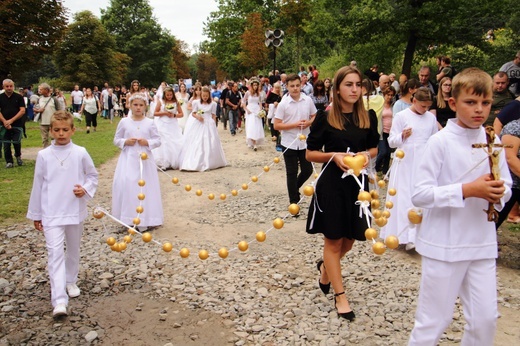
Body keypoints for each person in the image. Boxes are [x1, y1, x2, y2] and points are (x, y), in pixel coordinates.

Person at [408, 68, 512, 345]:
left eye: (486, 103)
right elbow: (420, 193)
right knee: (434, 320)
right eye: (471, 102)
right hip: (445, 242)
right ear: (453, 103)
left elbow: (507, 184)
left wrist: (498, 192)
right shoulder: (439, 142)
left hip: (480, 241)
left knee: (485, 319)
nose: (479, 110)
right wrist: (467, 190)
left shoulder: (493, 141)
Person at [306, 65, 379, 321]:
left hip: (358, 187)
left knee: (349, 240)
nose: (355, 90)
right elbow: (310, 153)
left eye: (358, 85)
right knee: (334, 240)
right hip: (332, 185)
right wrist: (333, 155)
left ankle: (326, 268)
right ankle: (340, 296)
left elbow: (373, 148)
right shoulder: (325, 117)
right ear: (337, 88)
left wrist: (364, 156)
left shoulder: (368, 116)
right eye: (349, 84)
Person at [27, 110, 98, 317]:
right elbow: (38, 184)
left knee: (73, 248)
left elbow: (92, 176)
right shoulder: (43, 155)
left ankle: (70, 280)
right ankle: (58, 300)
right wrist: (36, 213)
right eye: (56, 130)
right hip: (51, 212)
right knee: (54, 253)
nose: (61, 134)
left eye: (65, 130)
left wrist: (84, 188)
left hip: (74, 210)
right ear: (50, 131)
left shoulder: (80, 152)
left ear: (72, 130)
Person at [380, 87, 438, 250]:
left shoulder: (431, 119)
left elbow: (434, 140)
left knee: (420, 197)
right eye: (422, 106)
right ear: (414, 101)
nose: (425, 110)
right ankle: (402, 234)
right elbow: (391, 141)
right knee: (404, 197)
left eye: (427, 107)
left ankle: (418, 236)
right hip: (405, 162)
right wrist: (402, 136)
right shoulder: (401, 116)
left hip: (423, 162)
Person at [112, 94, 163, 231]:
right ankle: (127, 218)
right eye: (135, 105)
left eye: (141, 105)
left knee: (145, 187)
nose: (138, 108)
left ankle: (147, 218)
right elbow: (116, 139)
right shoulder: (124, 122)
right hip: (128, 159)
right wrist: (125, 142)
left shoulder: (150, 122)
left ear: (145, 106)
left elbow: (157, 140)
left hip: (144, 160)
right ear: (130, 106)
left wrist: (147, 142)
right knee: (128, 185)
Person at [274, 74, 317, 205]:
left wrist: (309, 123)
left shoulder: (307, 100)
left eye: (297, 85)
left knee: (307, 170)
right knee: (291, 172)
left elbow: (315, 115)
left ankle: (294, 188)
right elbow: (277, 125)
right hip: (289, 142)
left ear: (301, 85)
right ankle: (293, 201)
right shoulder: (283, 104)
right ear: (286, 86)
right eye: (292, 86)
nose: (295, 88)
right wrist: (294, 125)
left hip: (304, 142)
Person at [180, 86, 227, 171]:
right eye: (203, 96)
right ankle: (197, 160)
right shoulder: (196, 103)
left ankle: (211, 160)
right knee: (198, 141)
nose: (205, 98)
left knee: (210, 141)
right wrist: (198, 117)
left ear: (209, 95)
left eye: (206, 96)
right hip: (199, 123)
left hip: (209, 123)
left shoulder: (213, 104)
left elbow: (213, 115)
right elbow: (193, 113)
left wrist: (214, 125)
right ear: (201, 95)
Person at [152, 86, 184, 170]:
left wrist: (174, 115)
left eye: (170, 95)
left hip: (172, 123)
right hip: (162, 124)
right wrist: (164, 113)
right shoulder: (161, 102)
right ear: (164, 95)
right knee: (163, 142)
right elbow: (155, 113)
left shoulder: (176, 102)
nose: (169, 96)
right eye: (167, 95)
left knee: (173, 140)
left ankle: (174, 160)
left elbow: (181, 114)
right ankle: (163, 161)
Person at [0, 79, 26, 168]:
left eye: (11, 86)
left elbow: (22, 110)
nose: (9, 88)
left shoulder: (18, 97)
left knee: (17, 142)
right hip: (4, 124)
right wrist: (4, 121)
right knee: (6, 143)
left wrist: (11, 120)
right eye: (7, 86)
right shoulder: (0, 97)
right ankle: (9, 161)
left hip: (17, 123)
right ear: (3, 87)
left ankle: (18, 156)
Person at [375, 86, 396, 174]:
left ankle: (385, 172)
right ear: (384, 95)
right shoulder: (380, 105)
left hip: (390, 131)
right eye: (388, 95)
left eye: (391, 95)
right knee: (383, 151)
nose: (390, 97)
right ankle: (376, 167)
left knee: (388, 153)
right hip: (382, 132)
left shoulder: (393, 106)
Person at [34, 83, 62, 148]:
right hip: (43, 122)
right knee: (44, 139)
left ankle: (55, 150)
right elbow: (35, 109)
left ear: (46, 90)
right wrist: (38, 111)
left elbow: (59, 110)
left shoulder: (54, 99)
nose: (39, 91)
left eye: (41, 89)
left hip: (53, 122)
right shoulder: (39, 99)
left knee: (53, 138)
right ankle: (46, 153)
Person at [243, 78, 266, 151]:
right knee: (251, 126)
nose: (255, 86)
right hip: (250, 110)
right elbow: (243, 102)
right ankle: (253, 142)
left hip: (256, 110)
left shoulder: (259, 94)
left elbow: (260, 103)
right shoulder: (248, 93)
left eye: (256, 85)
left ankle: (255, 141)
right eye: (254, 85)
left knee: (257, 126)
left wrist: (260, 110)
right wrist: (246, 109)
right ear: (252, 86)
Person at [266, 82, 283, 149]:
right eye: (276, 88)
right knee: (273, 123)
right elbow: (267, 101)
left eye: (278, 88)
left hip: (278, 110)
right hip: (273, 110)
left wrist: (278, 103)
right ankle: (274, 135)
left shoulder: (280, 94)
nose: (277, 89)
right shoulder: (271, 93)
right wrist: (273, 103)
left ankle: (277, 139)